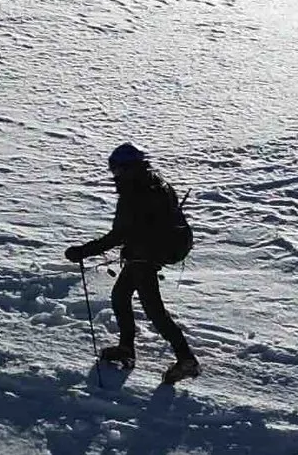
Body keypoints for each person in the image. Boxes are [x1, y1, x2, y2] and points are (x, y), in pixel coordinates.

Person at [67, 143, 199, 382]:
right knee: (120, 296)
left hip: (144, 255)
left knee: (154, 310)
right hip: (152, 250)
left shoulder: (133, 194)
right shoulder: (157, 183)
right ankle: (126, 348)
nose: (115, 176)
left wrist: (82, 252)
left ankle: (186, 358)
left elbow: (118, 235)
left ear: (127, 169)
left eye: (117, 171)